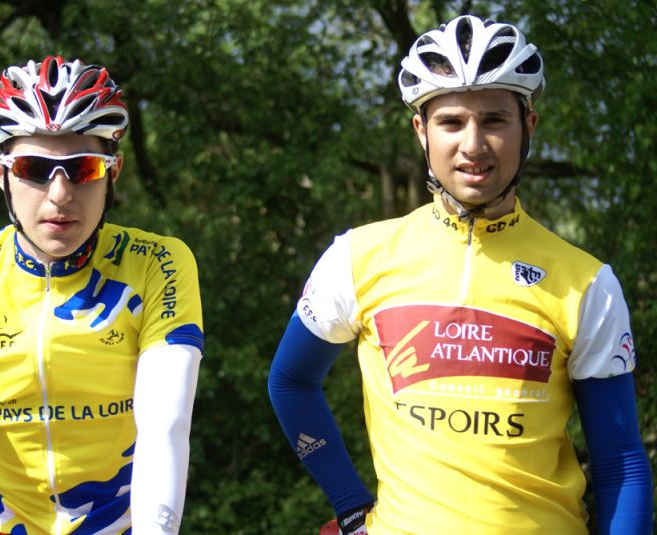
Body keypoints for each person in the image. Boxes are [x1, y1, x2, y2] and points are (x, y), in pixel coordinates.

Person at [268, 15, 653, 535]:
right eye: (451, 122)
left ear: (528, 126)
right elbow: (290, 383)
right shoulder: (358, 257)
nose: (473, 144)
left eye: (494, 120)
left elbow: (621, 462)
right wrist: (350, 507)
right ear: (421, 130)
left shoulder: (586, 283)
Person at [0, 55, 204, 535]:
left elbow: (165, 428)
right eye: (34, 168)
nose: (59, 194)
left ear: (112, 173)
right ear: (0, 172)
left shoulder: (157, 264)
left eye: (83, 168)